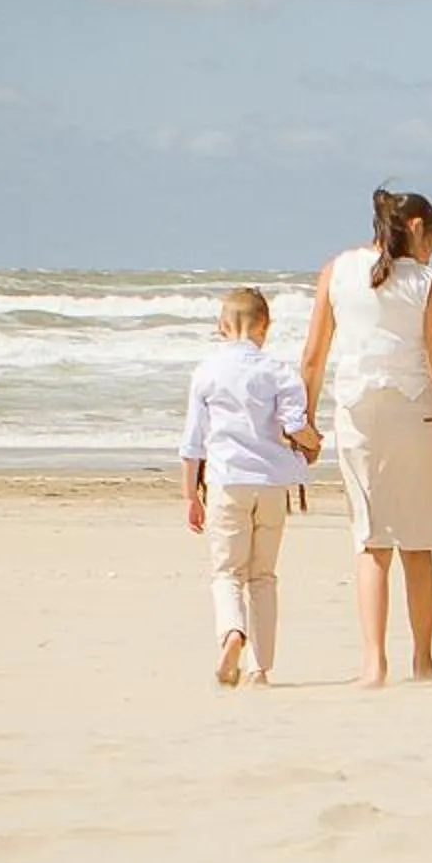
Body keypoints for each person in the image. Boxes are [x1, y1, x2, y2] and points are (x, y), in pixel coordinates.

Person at [298, 188, 432, 688]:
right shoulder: (426, 282)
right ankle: (422, 661)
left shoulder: (337, 270)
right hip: (414, 414)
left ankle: (373, 664)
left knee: (371, 542)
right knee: (417, 544)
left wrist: (305, 424)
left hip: (357, 416)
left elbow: (313, 356)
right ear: (417, 228)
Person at [180, 287, 322, 687]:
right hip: (273, 485)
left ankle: (232, 634)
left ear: (222, 327)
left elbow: (192, 441)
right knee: (263, 576)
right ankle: (261, 668)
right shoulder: (278, 371)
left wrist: (190, 495)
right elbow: (296, 426)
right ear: (266, 326)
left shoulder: (206, 371)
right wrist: (315, 444)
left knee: (227, 572)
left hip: (227, 482)